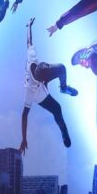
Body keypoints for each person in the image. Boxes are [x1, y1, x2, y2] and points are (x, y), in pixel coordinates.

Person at [20, 18, 77, 154]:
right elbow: (24, 115)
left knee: (62, 68)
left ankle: (64, 88)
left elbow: (29, 41)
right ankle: (64, 132)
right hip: (39, 95)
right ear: (43, 80)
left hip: (43, 76)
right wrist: (24, 138)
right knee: (57, 109)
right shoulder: (29, 92)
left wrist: (29, 26)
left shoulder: (32, 58)